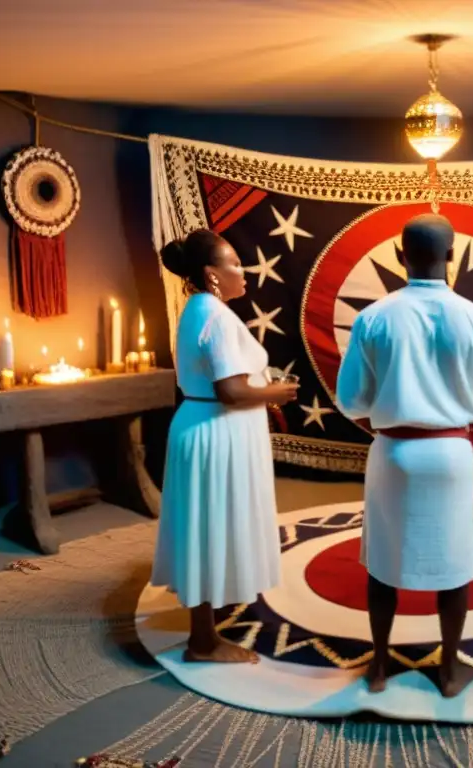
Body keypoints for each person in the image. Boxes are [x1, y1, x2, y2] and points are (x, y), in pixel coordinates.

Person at [336, 213, 473, 698]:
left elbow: (350, 400)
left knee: (382, 562)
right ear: (452, 255)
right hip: (452, 453)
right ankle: (450, 671)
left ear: (399, 255)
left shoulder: (373, 317)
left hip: (393, 453)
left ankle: (377, 667)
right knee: (455, 564)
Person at [152, 228, 299, 664]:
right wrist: (276, 393)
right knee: (211, 524)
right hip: (215, 430)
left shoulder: (202, 309)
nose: (244, 271)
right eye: (235, 263)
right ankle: (203, 642)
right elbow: (231, 391)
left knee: (212, 523)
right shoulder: (213, 316)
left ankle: (211, 611)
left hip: (208, 428)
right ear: (211, 274)